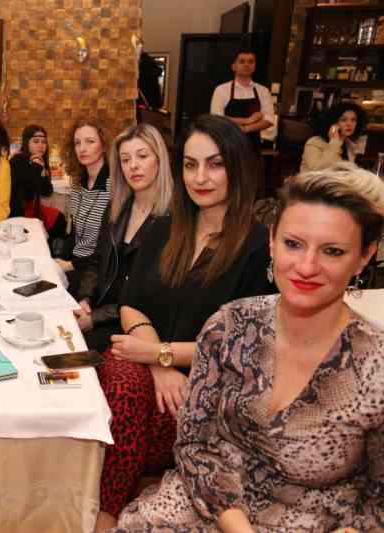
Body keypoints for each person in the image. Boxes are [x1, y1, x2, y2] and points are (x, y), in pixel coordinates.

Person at [116, 161, 384, 531]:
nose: (306, 266)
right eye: (293, 244)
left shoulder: (375, 365)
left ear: (364, 256)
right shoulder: (229, 326)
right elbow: (195, 445)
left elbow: (379, 501)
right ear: (272, 240)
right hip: (205, 502)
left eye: (332, 251)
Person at [94, 114, 274, 531]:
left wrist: (161, 355)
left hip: (207, 385)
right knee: (121, 382)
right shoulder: (163, 228)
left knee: (125, 401)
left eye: (215, 164)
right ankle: (108, 513)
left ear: (238, 168)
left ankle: (107, 514)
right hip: (147, 365)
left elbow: (243, 345)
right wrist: (158, 362)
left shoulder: (257, 247)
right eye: (191, 165)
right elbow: (131, 304)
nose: (200, 177)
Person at [74, 123, 173, 354]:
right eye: (125, 160)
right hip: (101, 309)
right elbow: (97, 260)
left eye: (142, 156)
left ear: (160, 160)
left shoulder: (172, 218)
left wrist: (95, 318)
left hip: (138, 325)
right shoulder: (117, 207)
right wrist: (85, 299)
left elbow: (150, 296)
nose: (133, 166)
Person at [56, 118, 112, 296]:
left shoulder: (113, 186)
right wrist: (60, 260)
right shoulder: (78, 182)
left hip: (95, 272)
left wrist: (71, 265)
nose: (82, 148)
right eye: (77, 143)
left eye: (90, 141)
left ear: (104, 146)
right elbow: (74, 232)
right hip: (75, 262)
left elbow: (108, 247)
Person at [8, 124, 66, 237]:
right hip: (17, 211)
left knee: (59, 218)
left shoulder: (39, 160)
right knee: (56, 221)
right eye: (36, 141)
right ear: (26, 143)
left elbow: (47, 192)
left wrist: (42, 172)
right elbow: (28, 189)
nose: (41, 145)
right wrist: (37, 167)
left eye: (43, 142)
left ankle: (50, 245)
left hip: (33, 207)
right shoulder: (17, 160)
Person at [210, 49, 273, 149]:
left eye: (251, 62)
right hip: (227, 145)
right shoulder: (221, 89)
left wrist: (245, 129)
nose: (246, 64)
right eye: (242, 61)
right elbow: (217, 119)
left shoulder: (263, 91)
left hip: (252, 146)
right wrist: (248, 120)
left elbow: (269, 120)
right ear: (234, 66)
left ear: (255, 66)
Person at [301, 101, 368, 172]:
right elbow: (318, 170)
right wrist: (334, 142)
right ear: (332, 123)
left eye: (353, 120)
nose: (349, 124)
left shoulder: (349, 145)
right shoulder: (314, 142)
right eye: (343, 120)